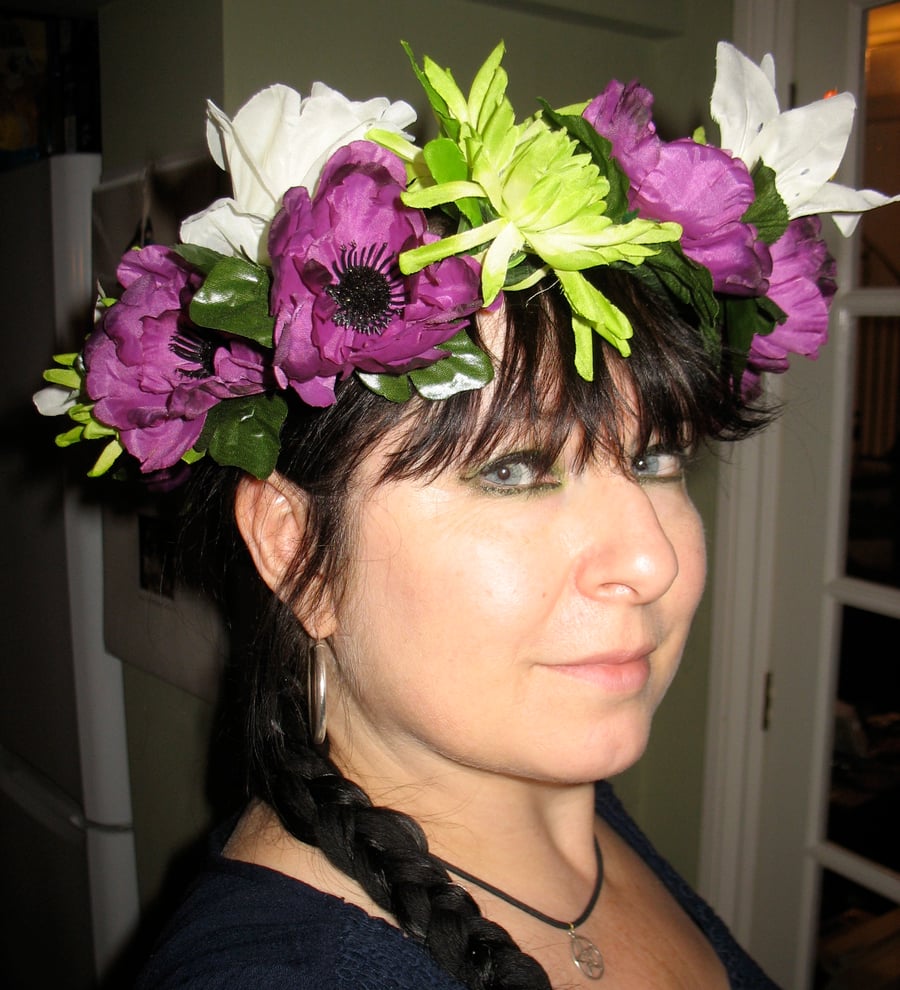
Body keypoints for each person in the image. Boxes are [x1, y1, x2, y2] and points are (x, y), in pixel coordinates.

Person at [34, 40, 897, 990]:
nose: (649, 562)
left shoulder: (549, 797)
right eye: (516, 473)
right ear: (293, 548)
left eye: (656, 459)